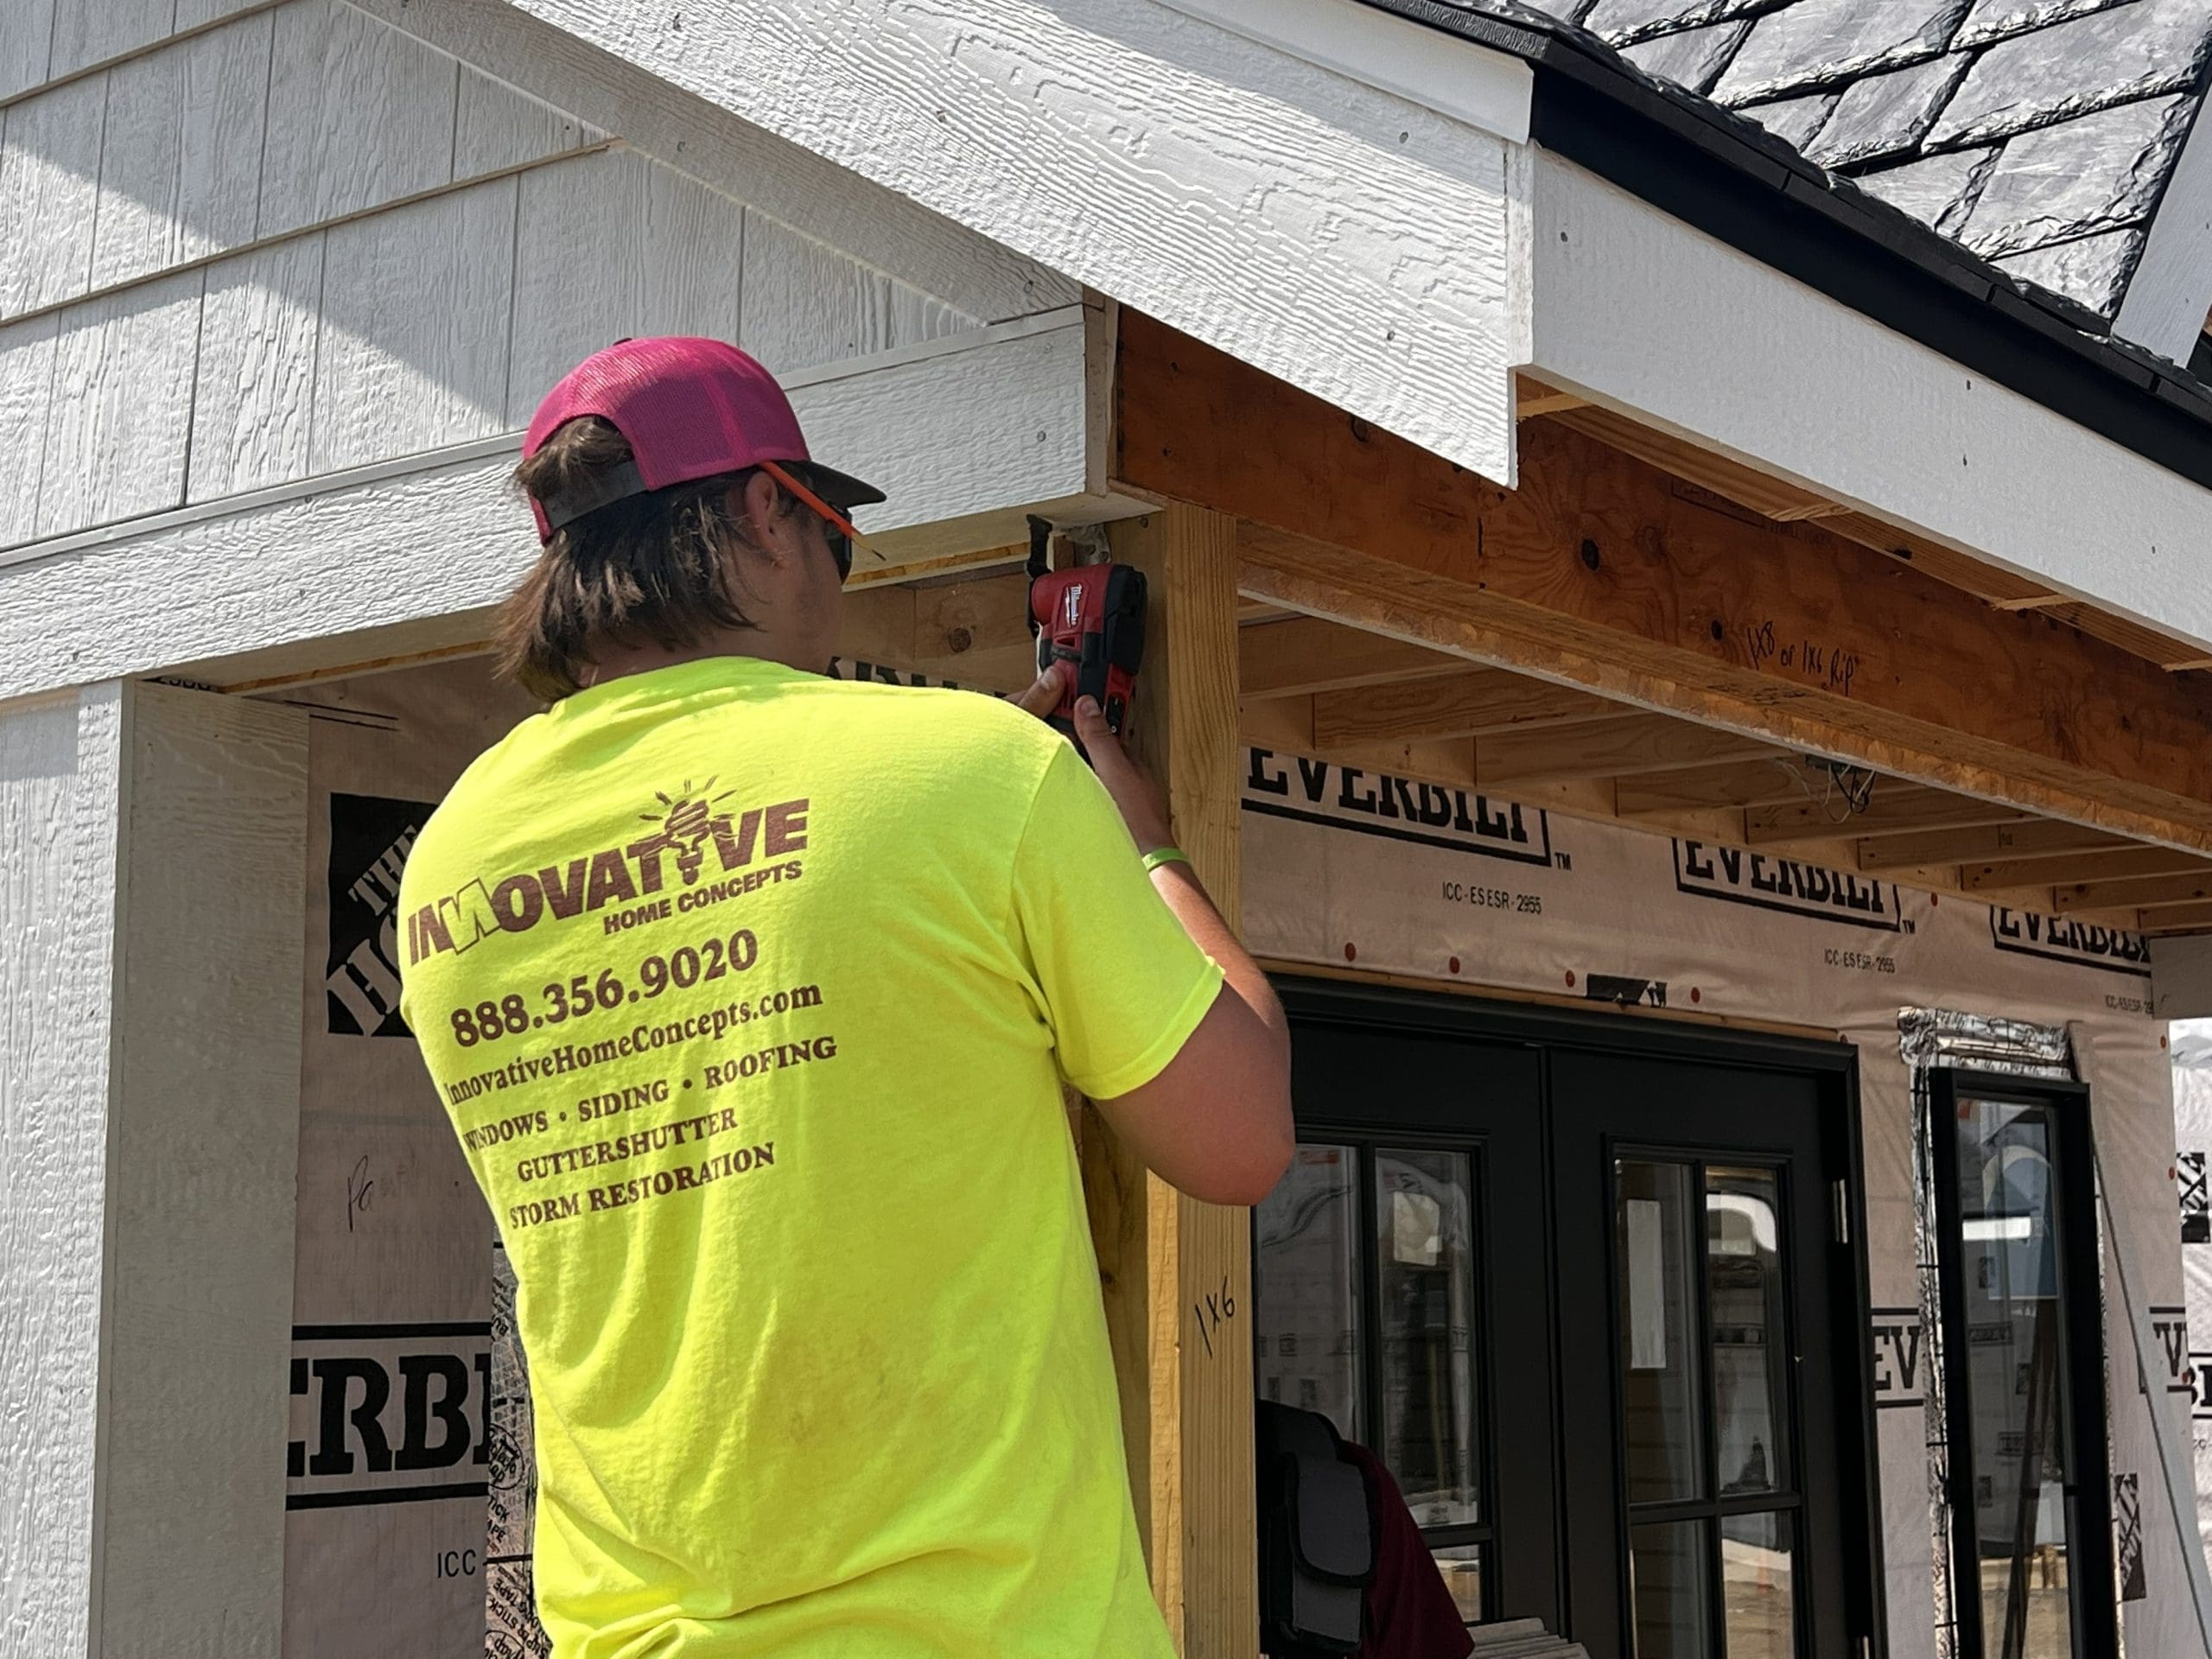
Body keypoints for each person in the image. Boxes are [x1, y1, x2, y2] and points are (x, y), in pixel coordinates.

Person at [396, 336, 1294, 1657]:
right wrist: (1141, 852)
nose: (837, 574)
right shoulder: (983, 776)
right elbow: (1241, 1140)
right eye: (836, 533)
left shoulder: (453, 860)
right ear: (767, 508)